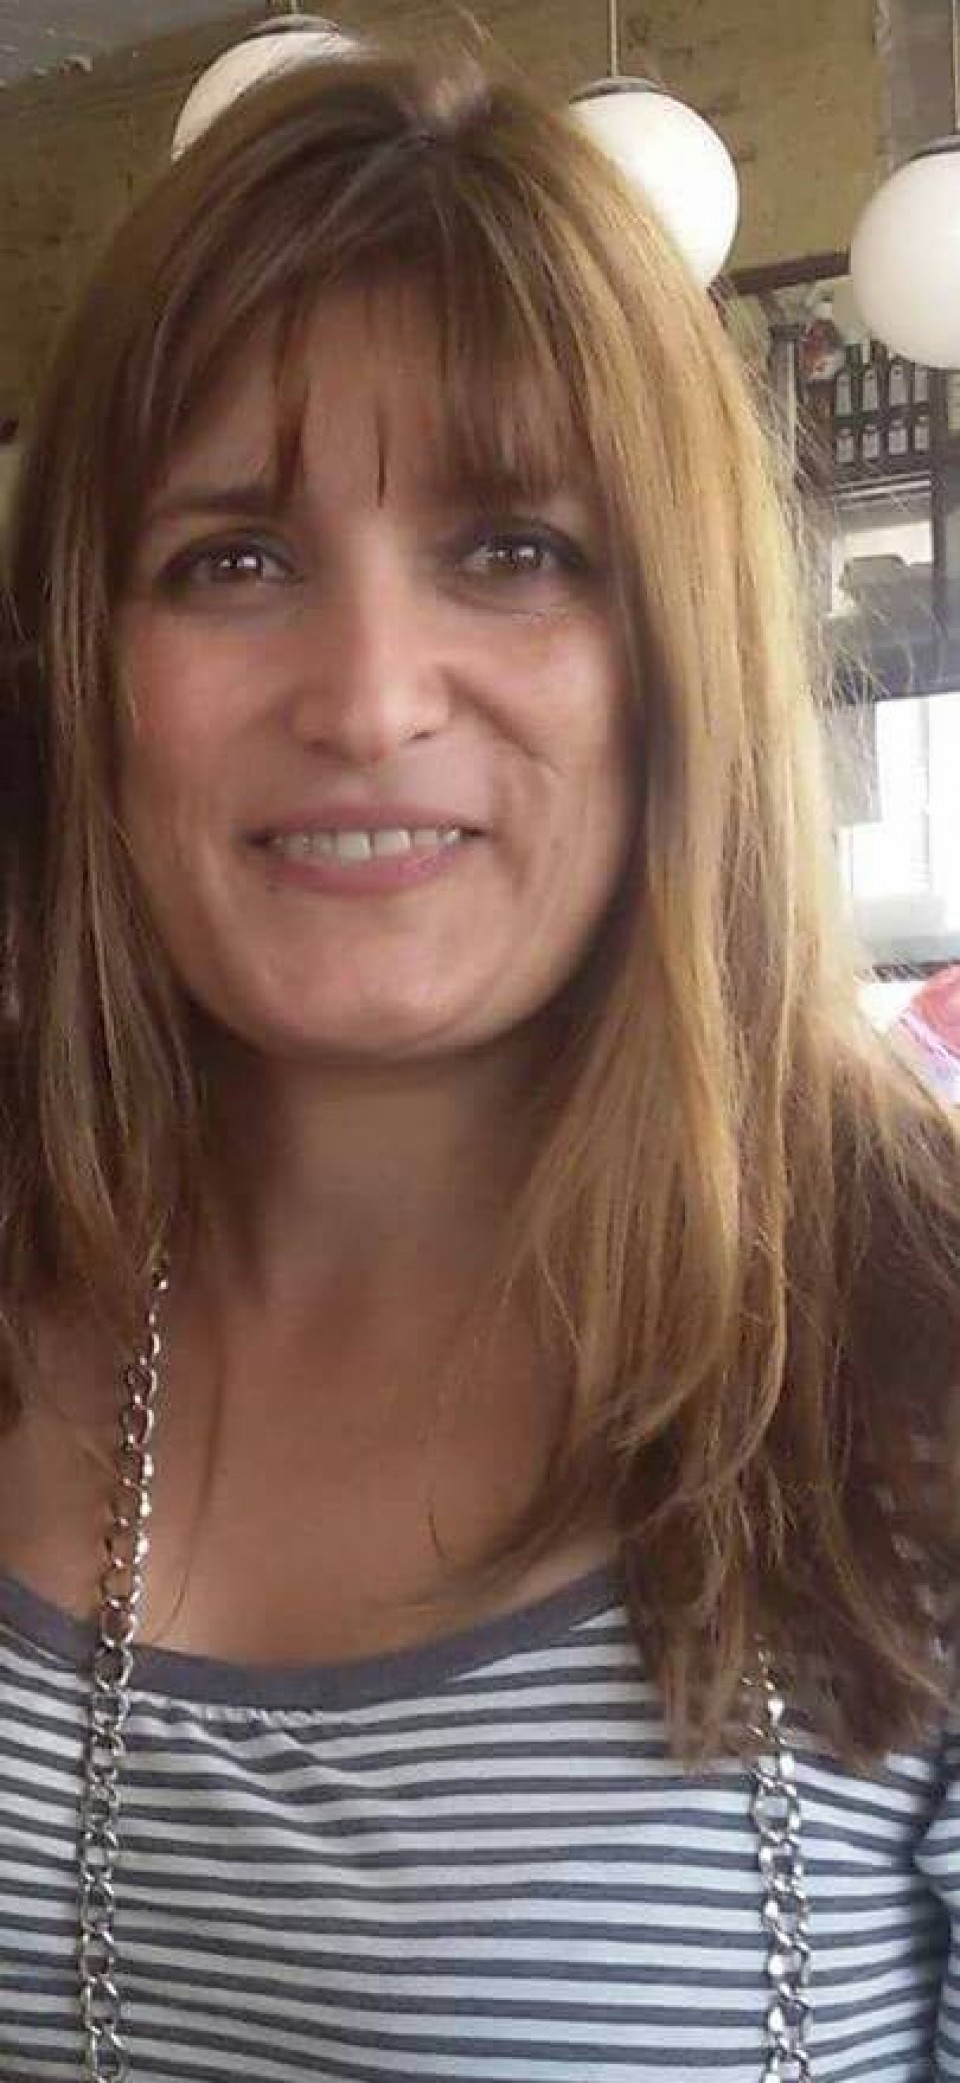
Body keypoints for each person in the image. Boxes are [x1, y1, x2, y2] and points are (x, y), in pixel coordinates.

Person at [1, 37, 959, 2083]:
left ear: (676, 655)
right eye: (233, 560)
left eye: (513, 549)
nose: (367, 700)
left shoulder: (920, 1329)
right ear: (88, 670)